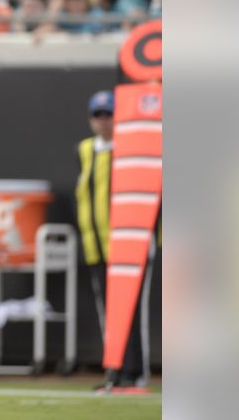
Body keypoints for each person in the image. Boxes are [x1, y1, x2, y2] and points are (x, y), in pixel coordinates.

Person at [74, 90, 150, 389]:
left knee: (132, 309)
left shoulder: (132, 148)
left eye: (109, 115)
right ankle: (115, 372)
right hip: (96, 244)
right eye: (98, 115)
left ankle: (137, 373)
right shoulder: (84, 150)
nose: (103, 121)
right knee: (109, 311)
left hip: (127, 243)